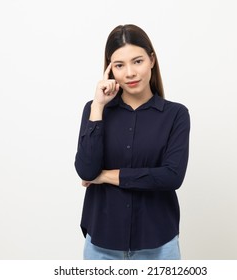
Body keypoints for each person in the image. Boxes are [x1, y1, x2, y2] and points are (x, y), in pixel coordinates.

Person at [74, 24, 190, 260]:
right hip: (102, 245)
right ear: (109, 70)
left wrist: (105, 176)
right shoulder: (94, 110)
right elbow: (86, 170)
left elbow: (171, 177)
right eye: (119, 65)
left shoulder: (176, 115)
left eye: (137, 61)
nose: (130, 73)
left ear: (152, 60)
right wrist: (98, 106)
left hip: (158, 245)